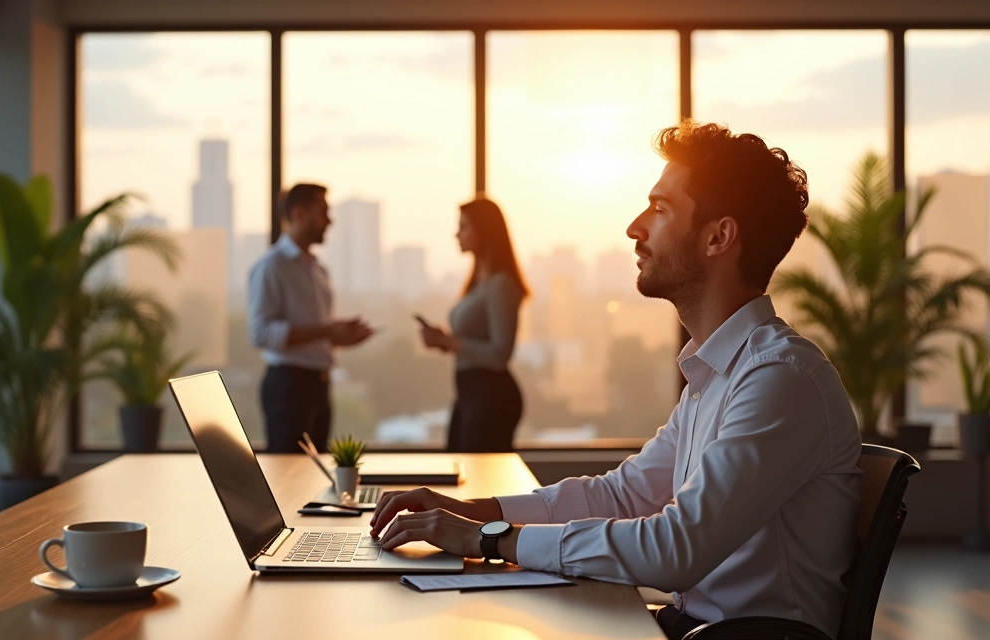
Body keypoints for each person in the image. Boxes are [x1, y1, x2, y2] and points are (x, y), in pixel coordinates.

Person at [369, 121, 862, 640]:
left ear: (719, 236)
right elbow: (623, 496)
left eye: (660, 209)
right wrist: (471, 511)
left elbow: (675, 550)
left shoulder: (778, 379)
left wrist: (490, 538)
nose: (635, 227)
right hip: (686, 628)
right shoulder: (718, 374)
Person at [247, 183, 373, 453]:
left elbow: (317, 332)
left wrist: (341, 337)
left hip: (319, 385)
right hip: (289, 387)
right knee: (288, 476)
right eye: (323, 212)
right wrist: (328, 332)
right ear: (300, 213)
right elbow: (260, 333)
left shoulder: (318, 269)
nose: (330, 220)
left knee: (314, 477)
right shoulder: (272, 266)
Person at [419, 196, 528, 452]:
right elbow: (475, 344)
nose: (457, 234)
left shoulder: (501, 285)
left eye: (463, 227)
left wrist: (448, 342)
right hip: (470, 394)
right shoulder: (479, 283)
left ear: (484, 231)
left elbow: (500, 354)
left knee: (479, 479)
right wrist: (444, 342)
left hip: (491, 397)